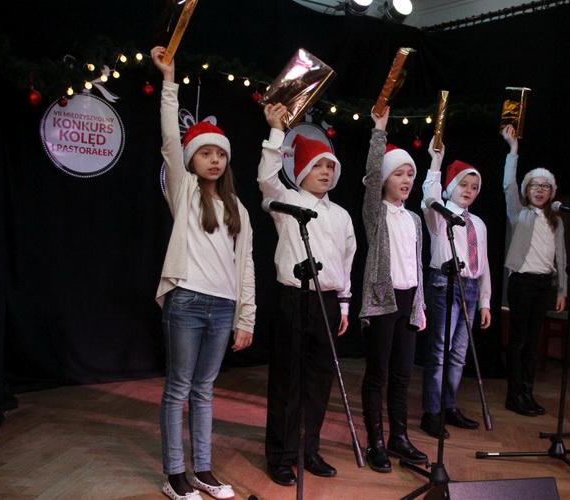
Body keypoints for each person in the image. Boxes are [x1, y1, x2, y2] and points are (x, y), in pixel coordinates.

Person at [152, 46, 256, 500]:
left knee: (205, 389)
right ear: (192, 159)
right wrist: (169, 80)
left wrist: (246, 317)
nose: (214, 160)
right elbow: (168, 141)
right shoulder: (185, 192)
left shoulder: (238, 209)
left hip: (223, 305)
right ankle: (175, 473)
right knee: (179, 387)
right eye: (205, 153)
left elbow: (246, 265)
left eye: (220, 154)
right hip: (187, 300)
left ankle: (203, 469)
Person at [258, 104, 356, 486]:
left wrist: (344, 302)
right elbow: (266, 178)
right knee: (288, 381)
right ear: (302, 171)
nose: (326, 172)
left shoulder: (341, 215)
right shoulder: (286, 202)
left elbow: (347, 259)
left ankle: (308, 449)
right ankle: (281, 456)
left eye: (331, 167)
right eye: (318, 166)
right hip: (293, 299)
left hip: (327, 302)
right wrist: (275, 133)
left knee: (319, 381)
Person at [359, 107, 428, 473]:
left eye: (410, 174)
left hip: (408, 301)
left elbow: (417, 267)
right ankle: (376, 441)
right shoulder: (377, 212)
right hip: (383, 303)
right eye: (399, 173)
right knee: (378, 373)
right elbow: (371, 177)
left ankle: (399, 436)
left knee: (403, 374)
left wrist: (420, 305)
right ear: (386, 178)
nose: (406, 180)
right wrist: (379, 132)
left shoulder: (414, 219)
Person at [419, 139, 491, 439]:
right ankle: (432, 412)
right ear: (451, 186)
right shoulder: (440, 214)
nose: (469, 190)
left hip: (470, 288)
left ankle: (449, 405)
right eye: (463, 184)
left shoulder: (479, 224)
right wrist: (436, 162)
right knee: (439, 351)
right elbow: (428, 197)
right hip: (444, 283)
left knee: (459, 354)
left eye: (474, 187)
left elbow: (483, 264)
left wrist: (485, 301)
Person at [501, 124, 566, 417]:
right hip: (522, 283)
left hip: (543, 285)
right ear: (527, 191)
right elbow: (508, 185)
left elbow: (561, 256)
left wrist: (562, 289)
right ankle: (513, 395)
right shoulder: (520, 214)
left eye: (545, 186)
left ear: (552, 192)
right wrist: (513, 150)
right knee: (518, 341)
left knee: (533, 342)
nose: (539, 190)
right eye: (534, 185)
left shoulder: (557, 221)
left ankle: (527, 392)